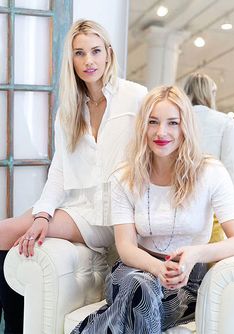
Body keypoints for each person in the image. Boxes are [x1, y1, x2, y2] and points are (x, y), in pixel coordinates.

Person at [0, 19, 147, 333]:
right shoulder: (69, 109)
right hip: (73, 201)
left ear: (108, 53)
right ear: (71, 60)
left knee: (8, 232)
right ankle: (13, 325)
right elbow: (59, 172)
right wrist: (42, 213)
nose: (88, 61)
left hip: (109, 213)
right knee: (5, 239)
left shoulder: (135, 97)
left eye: (95, 51)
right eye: (79, 53)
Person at [71, 85, 234, 333]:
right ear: (143, 126)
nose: (162, 132)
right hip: (132, 270)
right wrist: (157, 268)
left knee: (140, 297)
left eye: (173, 123)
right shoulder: (125, 177)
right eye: (153, 122)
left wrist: (195, 254)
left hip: (186, 281)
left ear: (185, 127)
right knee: (141, 286)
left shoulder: (211, 172)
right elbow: (126, 247)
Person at [184, 72, 234, 244]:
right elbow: (230, 167)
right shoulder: (225, 122)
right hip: (212, 203)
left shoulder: (177, 119)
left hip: (178, 198)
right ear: (210, 93)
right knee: (212, 260)